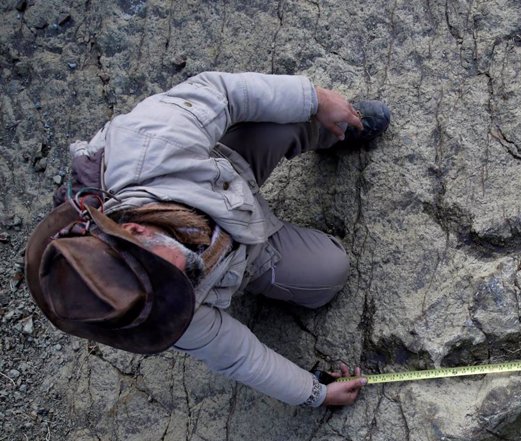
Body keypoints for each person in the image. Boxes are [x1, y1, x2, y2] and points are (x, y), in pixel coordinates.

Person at [24, 72, 391, 408]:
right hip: (244, 253)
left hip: (226, 168)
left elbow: (225, 93)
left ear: (136, 231)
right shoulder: (160, 310)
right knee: (328, 275)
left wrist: (316, 99)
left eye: (168, 273)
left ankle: (335, 127)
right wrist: (317, 393)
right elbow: (240, 356)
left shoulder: (148, 143)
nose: (182, 287)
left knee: (285, 112)